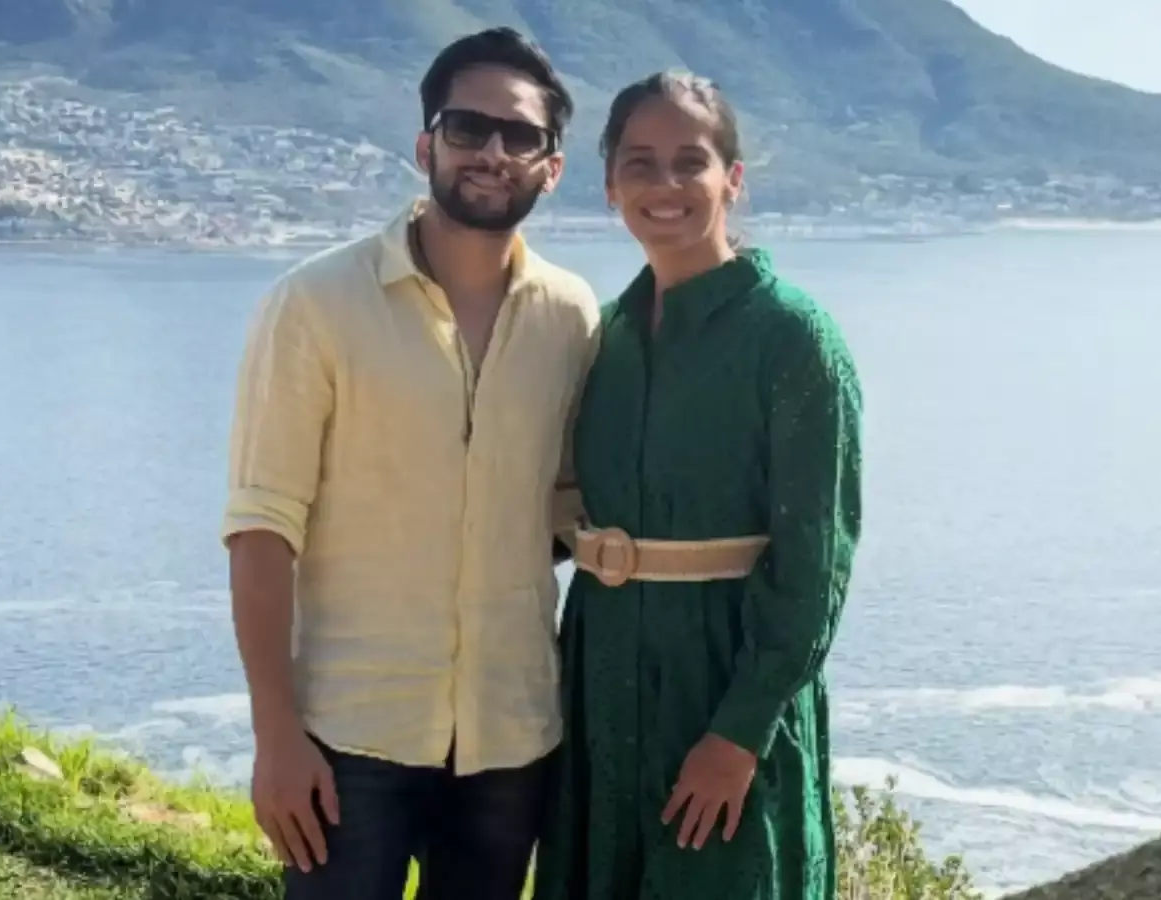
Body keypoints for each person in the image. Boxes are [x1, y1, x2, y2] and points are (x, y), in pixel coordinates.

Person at [220, 27, 601, 900]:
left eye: (520, 135)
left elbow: (565, 509)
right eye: (468, 127)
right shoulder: (314, 304)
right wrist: (275, 736)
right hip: (348, 734)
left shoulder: (572, 318)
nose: (492, 152)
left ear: (552, 167)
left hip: (511, 737)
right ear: (426, 145)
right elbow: (261, 528)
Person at [533, 70, 864, 900]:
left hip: (725, 689)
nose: (666, 184)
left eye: (691, 162)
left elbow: (815, 566)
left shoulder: (794, 339)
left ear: (733, 178)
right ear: (611, 185)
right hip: (602, 688)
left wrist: (739, 734)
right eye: (640, 163)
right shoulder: (604, 337)